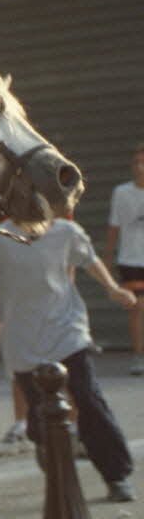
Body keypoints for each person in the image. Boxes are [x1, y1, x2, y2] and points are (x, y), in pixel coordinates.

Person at [0, 217, 137, 502]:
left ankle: (116, 476)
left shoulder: (66, 231)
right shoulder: (0, 238)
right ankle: (57, 475)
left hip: (67, 330)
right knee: (40, 413)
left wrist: (112, 288)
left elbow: (90, 259)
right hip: (22, 338)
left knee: (88, 399)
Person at [106, 142, 144, 375]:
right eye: (137, 163)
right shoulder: (122, 193)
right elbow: (114, 227)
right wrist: (107, 260)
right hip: (130, 260)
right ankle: (138, 355)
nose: (141, 167)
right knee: (137, 307)